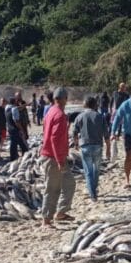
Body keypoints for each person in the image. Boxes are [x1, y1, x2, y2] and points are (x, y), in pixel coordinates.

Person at [40, 87, 75, 225]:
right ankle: (46, 219)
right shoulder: (60, 115)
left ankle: (60, 212)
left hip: (54, 155)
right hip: (54, 157)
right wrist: (59, 160)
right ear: (64, 99)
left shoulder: (50, 112)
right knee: (52, 188)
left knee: (69, 183)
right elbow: (54, 139)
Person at [73, 96, 110, 202]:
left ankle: (92, 193)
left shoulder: (80, 116)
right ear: (94, 105)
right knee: (96, 170)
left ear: (85, 104)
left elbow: (75, 132)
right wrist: (108, 148)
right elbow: (106, 134)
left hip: (85, 145)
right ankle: (94, 189)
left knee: (88, 171)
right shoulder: (99, 116)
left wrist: (76, 144)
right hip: (98, 145)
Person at [5, 97, 29, 162]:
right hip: (15, 128)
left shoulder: (7, 108)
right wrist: (22, 129)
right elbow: (17, 121)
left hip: (9, 128)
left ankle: (13, 157)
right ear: (15, 102)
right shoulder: (14, 109)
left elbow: (17, 108)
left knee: (13, 143)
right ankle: (25, 156)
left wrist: (24, 105)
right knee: (21, 143)